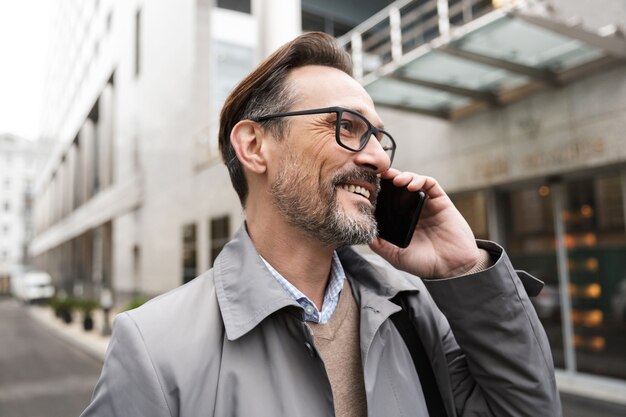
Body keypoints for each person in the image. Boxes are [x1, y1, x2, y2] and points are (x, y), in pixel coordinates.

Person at [81, 32, 561, 417]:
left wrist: (463, 269)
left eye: (377, 136)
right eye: (346, 126)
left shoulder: (416, 313)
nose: (375, 157)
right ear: (253, 147)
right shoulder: (154, 347)